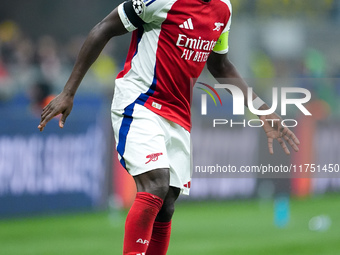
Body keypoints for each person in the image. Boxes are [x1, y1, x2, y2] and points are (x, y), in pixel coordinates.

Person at [38, 0, 300, 254]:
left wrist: (261, 108)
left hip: (178, 115)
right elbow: (103, 28)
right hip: (140, 101)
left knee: (167, 205)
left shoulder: (223, 8)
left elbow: (219, 64)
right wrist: (68, 92)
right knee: (156, 183)